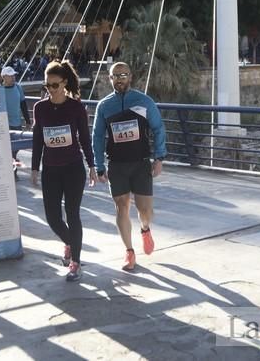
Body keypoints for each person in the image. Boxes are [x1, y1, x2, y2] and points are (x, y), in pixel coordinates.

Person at [92, 62, 167, 271]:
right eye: (115, 76)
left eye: (123, 75)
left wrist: (159, 158)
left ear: (130, 77)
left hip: (140, 163)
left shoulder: (144, 101)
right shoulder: (104, 106)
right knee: (121, 207)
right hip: (116, 164)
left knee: (145, 210)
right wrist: (99, 165)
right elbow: (97, 137)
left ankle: (145, 229)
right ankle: (129, 252)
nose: (120, 79)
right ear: (110, 79)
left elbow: (159, 128)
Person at [32, 61, 97, 282]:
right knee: (52, 217)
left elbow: (85, 140)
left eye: (55, 84)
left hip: (73, 168)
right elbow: (38, 139)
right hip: (50, 169)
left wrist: (92, 165)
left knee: (72, 213)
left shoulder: (76, 107)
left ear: (64, 83)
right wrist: (34, 168)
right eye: (47, 85)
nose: (50, 89)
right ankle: (70, 242)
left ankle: (75, 262)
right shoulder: (39, 108)